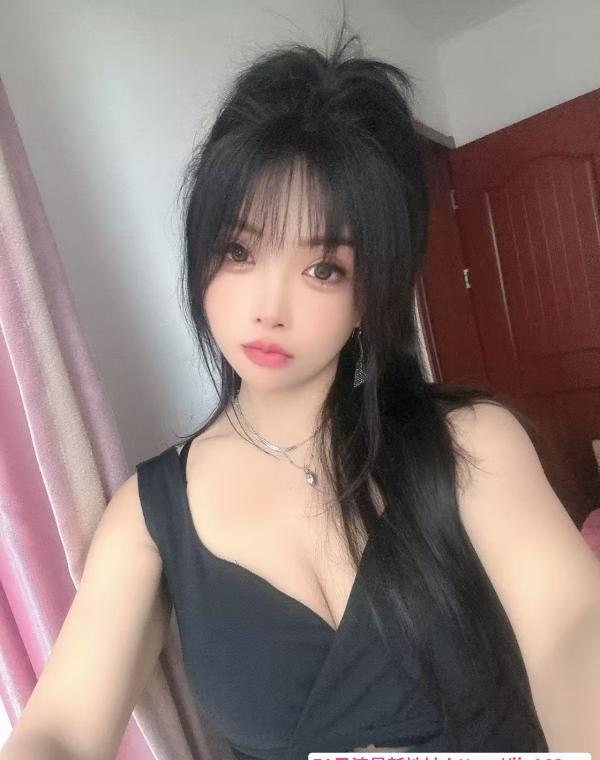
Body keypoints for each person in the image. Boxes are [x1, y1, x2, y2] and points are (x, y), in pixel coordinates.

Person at [4, 19, 600, 760]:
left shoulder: (469, 441)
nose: (268, 307)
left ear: (369, 293)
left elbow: (573, 627)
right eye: (238, 250)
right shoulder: (148, 517)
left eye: (324, 268)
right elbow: (59, 729)